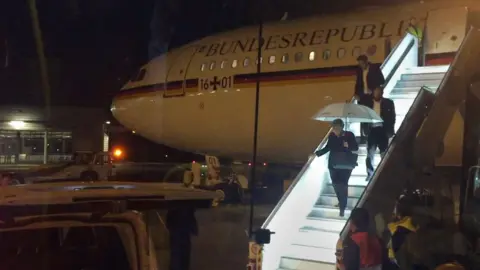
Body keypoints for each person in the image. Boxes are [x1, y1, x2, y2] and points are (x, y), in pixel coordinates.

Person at [315, 119, 358, 217]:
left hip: (345, 164)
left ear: (341, 127)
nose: (334, 129)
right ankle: (341, 201)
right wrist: (317, 154)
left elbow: (355, 147)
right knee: (335, 184)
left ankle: (342, 207)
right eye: (333, 128)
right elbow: (328, 147)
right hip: (333, 164)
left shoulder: (349, 135)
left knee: (343, 184)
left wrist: (348, 145)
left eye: (336, 128)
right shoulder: (332, 136)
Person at [363, 87, 395, 181]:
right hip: (372, 130)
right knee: (370, 154)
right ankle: (370, 173)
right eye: (376, 92)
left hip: (383, 129)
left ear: (382, 93)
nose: (377, 94)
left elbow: (392, 117)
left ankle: (385, 172)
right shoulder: (368, 104)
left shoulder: (388, 103)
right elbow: (364, 116)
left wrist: (390, 130)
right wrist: (364, 129)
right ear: (373, 93)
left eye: (379, 92)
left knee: (384, 153)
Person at [354, 55, 385, 141]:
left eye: (362, 63)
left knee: (372, 115)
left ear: (366, 61)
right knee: (362, 116)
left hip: (372, 96)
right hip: (362, 97)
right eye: (359, 64)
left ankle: (372, 135)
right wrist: (356, 94)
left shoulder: (374, 68)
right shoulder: (359, 70)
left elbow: (382, 80)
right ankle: (364, 136)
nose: (361, 65)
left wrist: (374, 89)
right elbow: (358, 83)